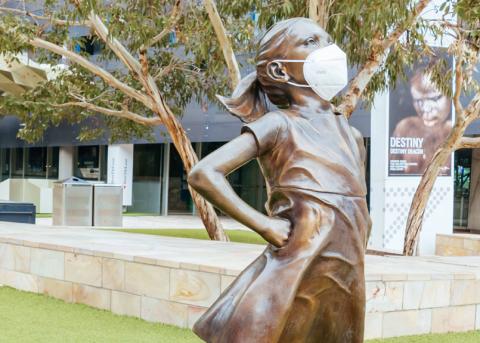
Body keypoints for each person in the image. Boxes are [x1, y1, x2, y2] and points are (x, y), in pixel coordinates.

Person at [188, 18, 370, 343]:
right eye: (310, 42)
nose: (327, 49)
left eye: (327, 40)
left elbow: (357, 207)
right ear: (278, 70)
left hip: (345, 275)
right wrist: (264, 225)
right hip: (295, 265)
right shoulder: (280, 125)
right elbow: (204, 174)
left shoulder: (352, 136)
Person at [390, 70, 452, 175]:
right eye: (418, 100)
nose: (425, 109)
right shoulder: (405, 127)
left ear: (451, 97)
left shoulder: (453, 130)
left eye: (435, 98)